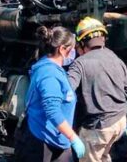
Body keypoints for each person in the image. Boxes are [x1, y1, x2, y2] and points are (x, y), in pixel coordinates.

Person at [68, 17, 127, 162]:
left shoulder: (79, 64)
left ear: (82, 43)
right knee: (106, 157)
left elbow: (66, 92)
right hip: (119, 123)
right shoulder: (116, 58)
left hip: (98, 127)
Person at [15, 26, 85, 162]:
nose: (74, 52)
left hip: (55, 138)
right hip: (42, 141)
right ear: (62, 49)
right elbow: (52, 111)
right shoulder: (49, 73)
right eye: (72, 48)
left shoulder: (55, 69)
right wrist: (73, 137)